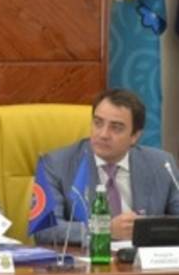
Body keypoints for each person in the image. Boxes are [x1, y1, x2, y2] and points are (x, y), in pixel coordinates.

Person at [35, 89, 179, 244]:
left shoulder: (161, 164)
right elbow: (44, 229)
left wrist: (147, 231)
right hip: (88, 257)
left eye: (116, 127)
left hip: (143, 257)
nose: (103, 134)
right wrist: (104, 229)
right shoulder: (55, 164)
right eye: (98, 123)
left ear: (135, 136)